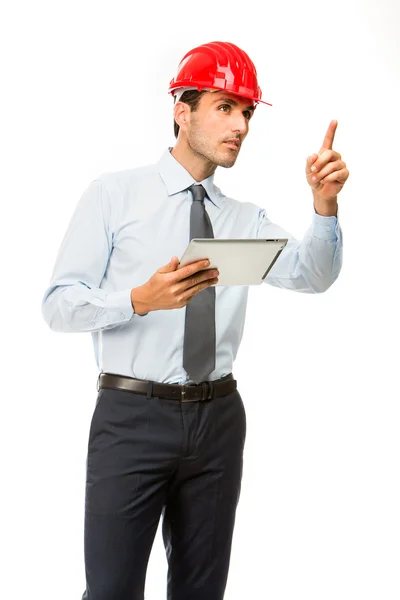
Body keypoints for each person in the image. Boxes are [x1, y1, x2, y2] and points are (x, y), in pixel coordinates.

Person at [41, 41, 349, 600]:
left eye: (247, 113)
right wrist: (137, 299)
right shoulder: (114, 195)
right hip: (130, 418)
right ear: (182, 111)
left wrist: (324, 205)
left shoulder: (241, 219)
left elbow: (312, 275)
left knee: (201, 592)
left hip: (218, 421)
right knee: (110, 590)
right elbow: (59, 303)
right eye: (225, 107)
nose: (241, 126)